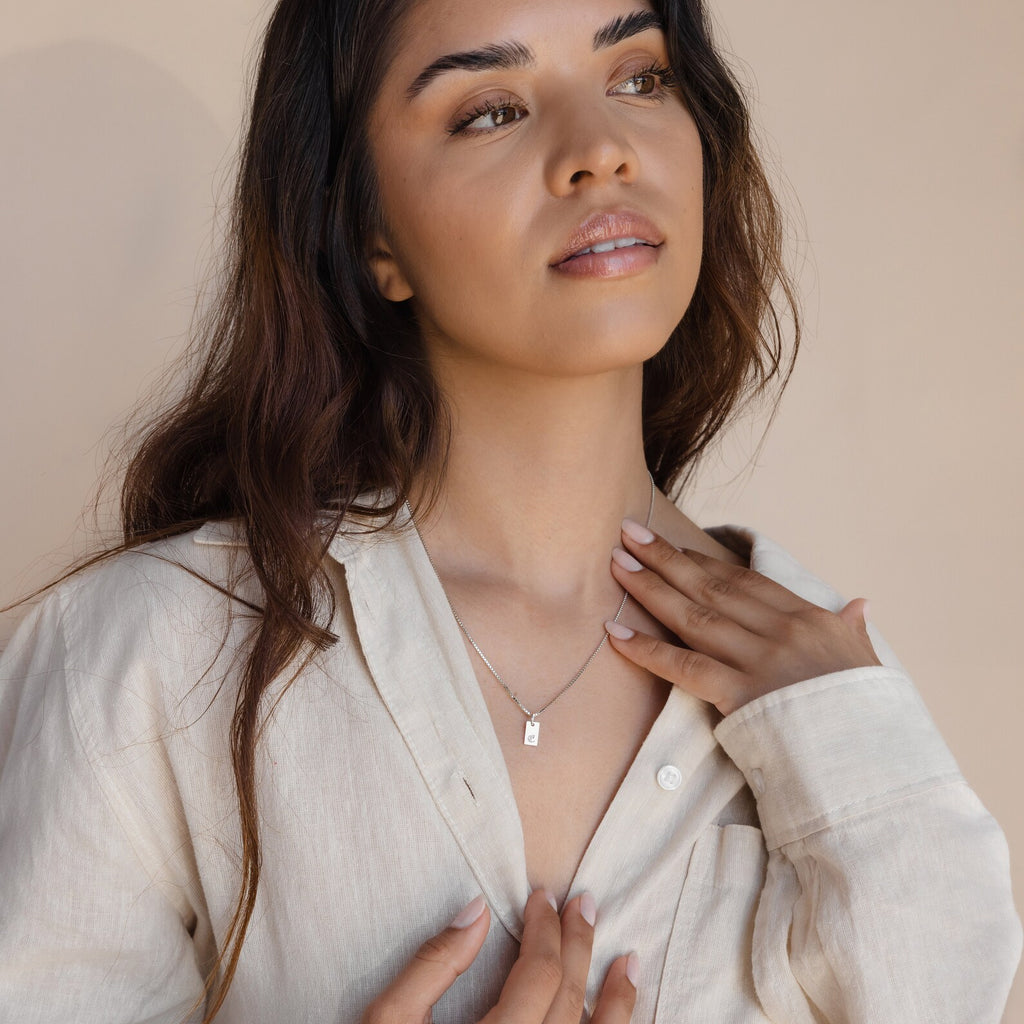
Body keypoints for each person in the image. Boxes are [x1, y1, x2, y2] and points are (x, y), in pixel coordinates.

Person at [0, 0, 1019, 1021]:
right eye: (491, 108)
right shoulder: (152, 654)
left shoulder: (833, 694)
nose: (600, 151)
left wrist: (861, 750)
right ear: (367, 233)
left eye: (638, 77)